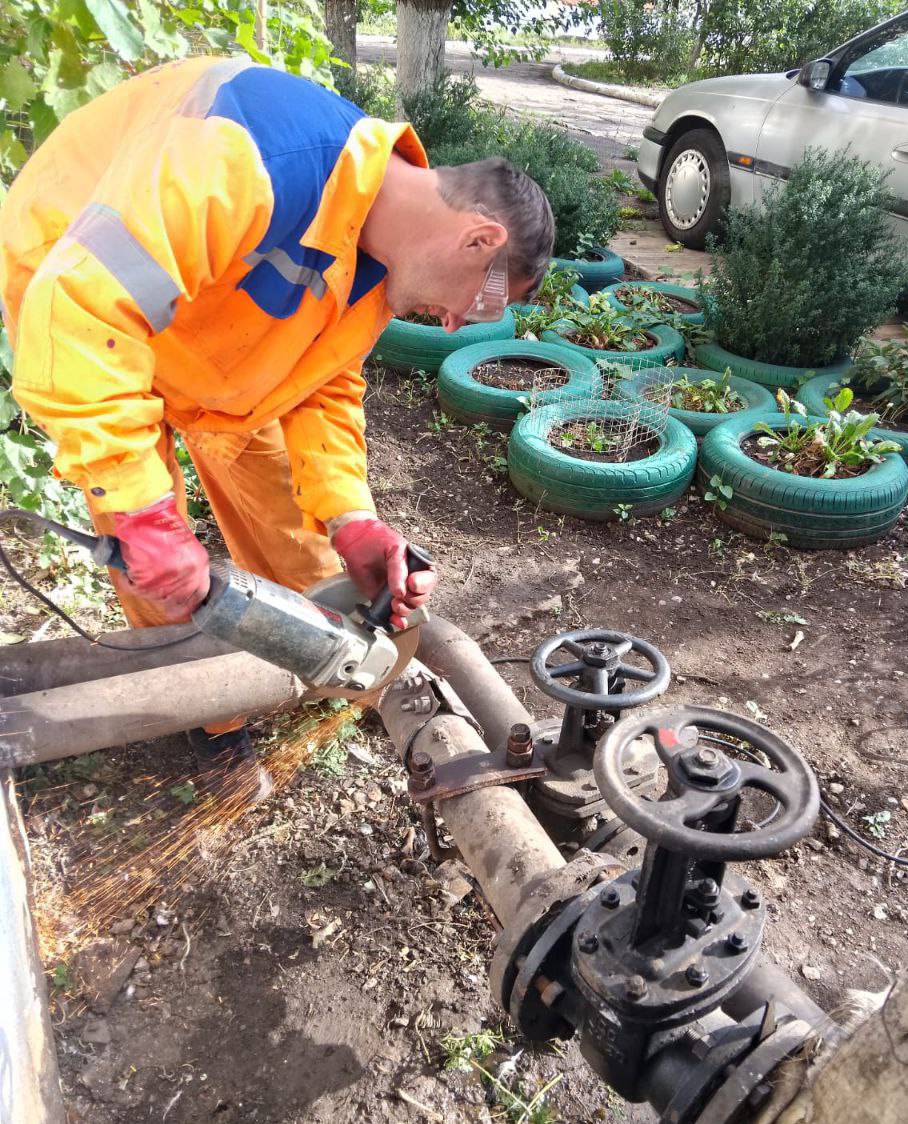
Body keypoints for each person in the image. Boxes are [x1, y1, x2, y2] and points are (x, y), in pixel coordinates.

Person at [0, 56, 555, 801]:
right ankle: (207, 718)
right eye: (482, 305)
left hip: (210, 338)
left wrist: (352, 517)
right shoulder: (249, 158)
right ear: (480, 240)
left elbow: (322, 381)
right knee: (155, 555)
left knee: (302, 545)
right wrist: (143, 513)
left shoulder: (379, 255)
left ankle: (309, 667)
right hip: (85, 303)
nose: (457, 323)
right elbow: (85, 308)